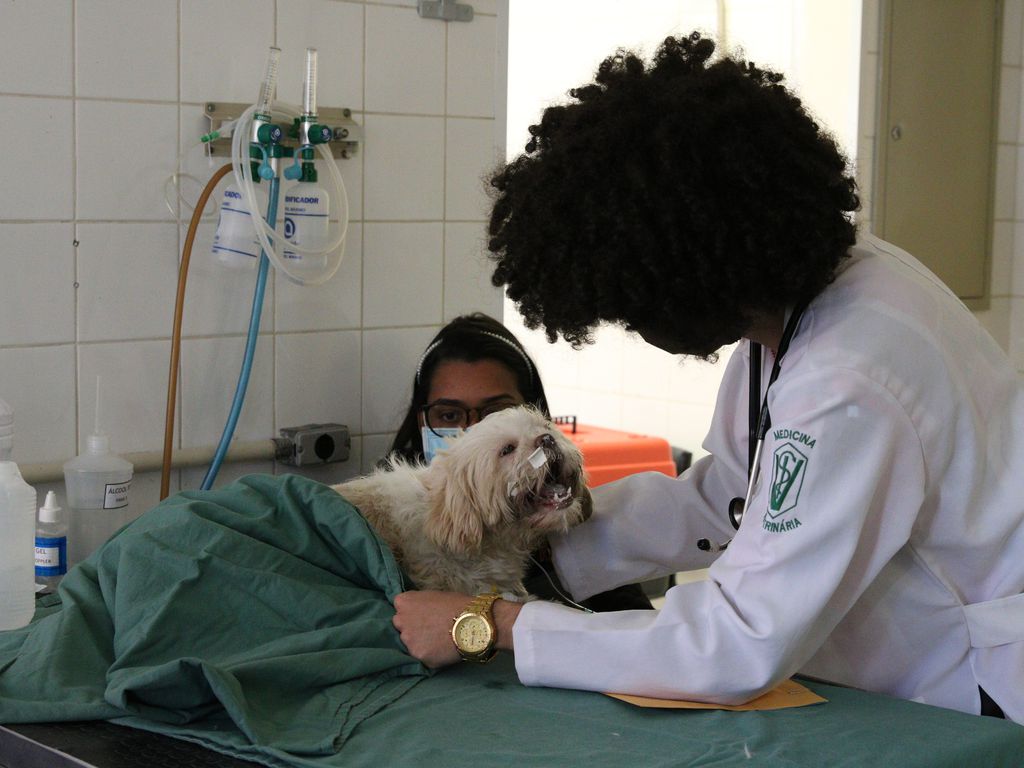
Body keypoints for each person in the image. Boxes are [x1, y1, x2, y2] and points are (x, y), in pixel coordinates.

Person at [391, 33, 1024, 723]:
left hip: (976, 686)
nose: (637, 329)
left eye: (631, 306)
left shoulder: (848, 377)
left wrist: (491, 623)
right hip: (906, 673)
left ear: (685, 274)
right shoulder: (808, 298)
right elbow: (730, 496)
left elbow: (736, 643)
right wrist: (541, 540)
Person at [387, 311, 653, 612]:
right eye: (449, 415)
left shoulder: (570, 510)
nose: (473, 433)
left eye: (495, 414)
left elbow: (632, 624)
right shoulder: (393, 521)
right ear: (422, 419)